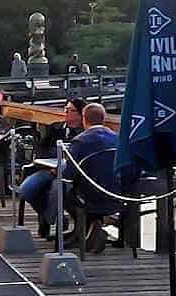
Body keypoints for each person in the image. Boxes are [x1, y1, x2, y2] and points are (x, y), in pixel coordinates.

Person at [21, 103, 116, 245]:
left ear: (83, 118)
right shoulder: (117, 138)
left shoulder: (81, 140)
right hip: (115, 192)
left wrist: (57, 172)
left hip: (86, 192)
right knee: (38, 186)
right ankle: (80, 228)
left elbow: (69, 175)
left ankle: (77, 228)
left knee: (57, 188)